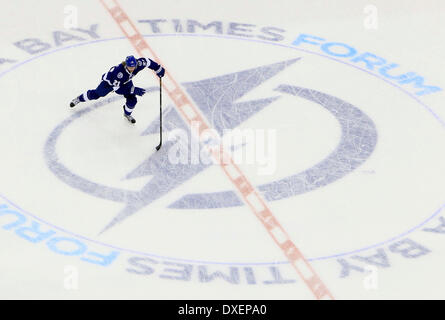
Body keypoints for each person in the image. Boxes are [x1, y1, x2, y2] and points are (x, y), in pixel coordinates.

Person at [70, 55, 165, 123]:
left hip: (126, 81)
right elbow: (118, 89)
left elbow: (147, 61)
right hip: (109, 83)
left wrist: (158, 68)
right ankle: (79, 99)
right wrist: (133, 89)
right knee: (96, 94)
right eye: (130, 66)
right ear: (126, 65)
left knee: (132, 100)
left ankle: (127, 114)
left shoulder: (138, 64)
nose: (132, 68)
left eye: (134, 66)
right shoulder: (118, 73)